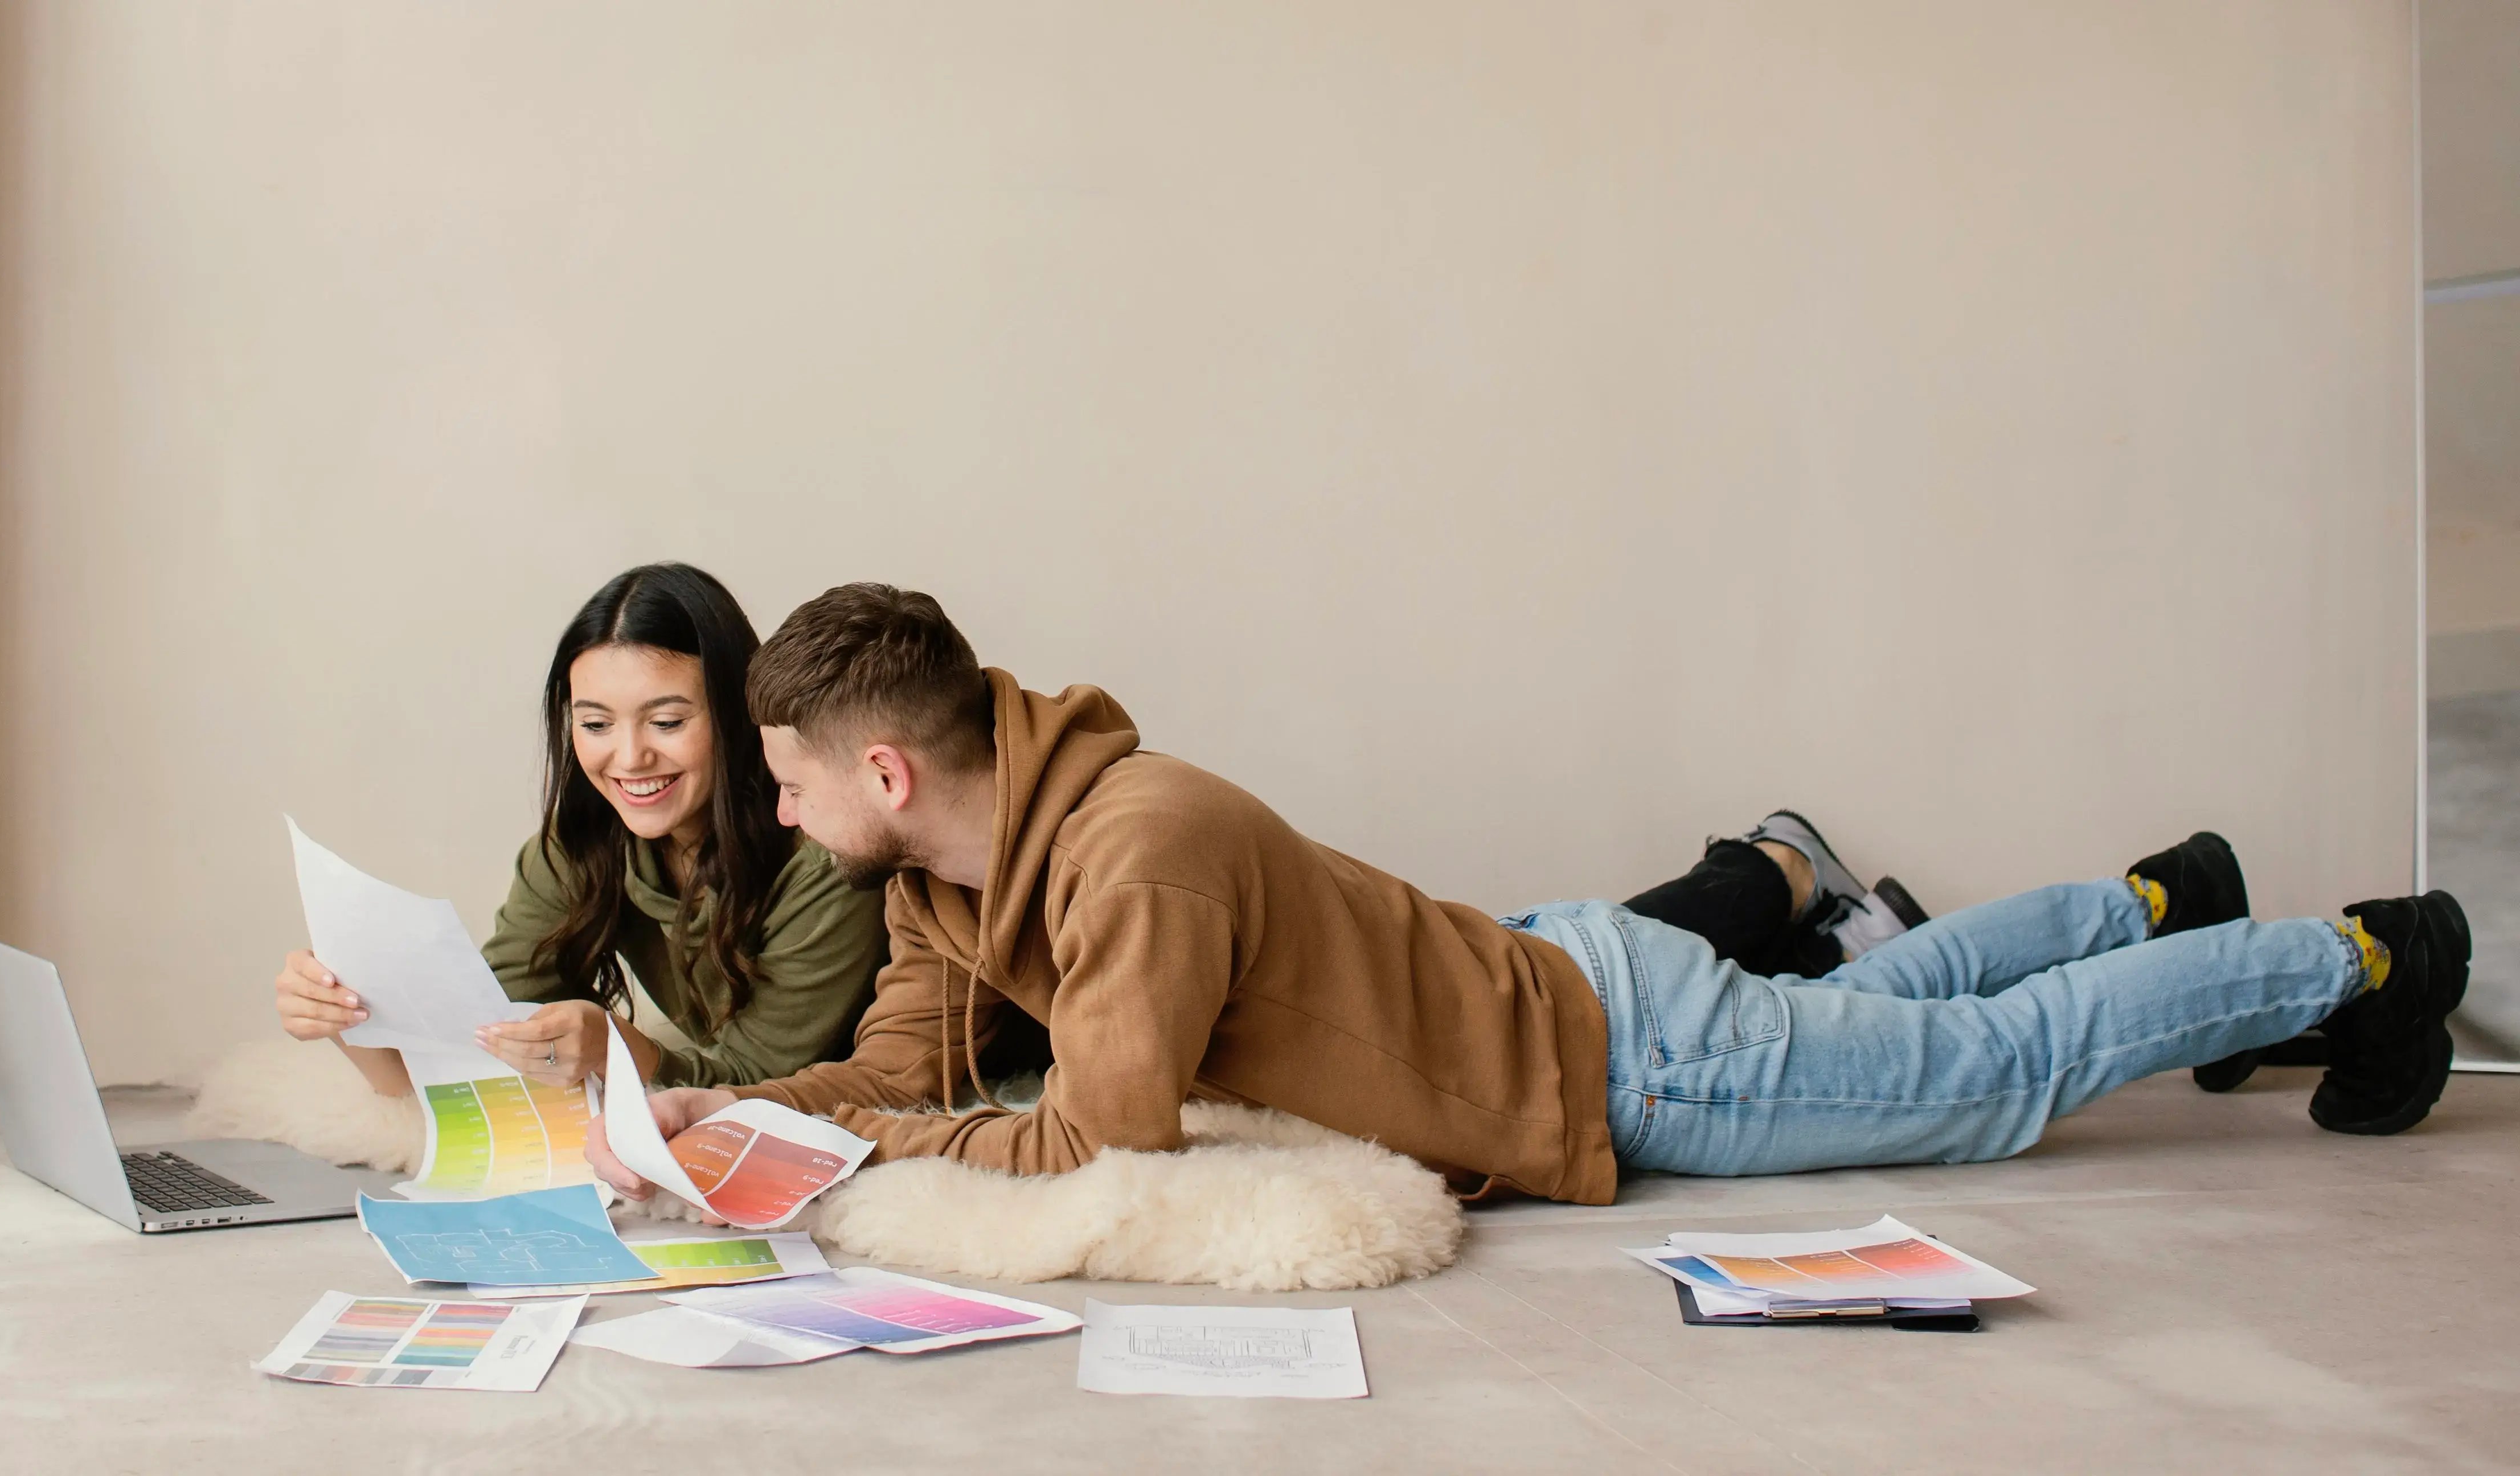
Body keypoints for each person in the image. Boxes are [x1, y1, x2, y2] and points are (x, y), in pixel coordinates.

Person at [587, 583, 2472, 1206]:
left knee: (1987, 1077)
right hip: (1578, 980)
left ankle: (2365, 955)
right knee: (1909, 1013)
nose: (773, 797)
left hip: (1627, 1064)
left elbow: (1098, 1136)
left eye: (785, 766)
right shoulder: (950, 877)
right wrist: (740, 1112)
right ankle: (2149, 903)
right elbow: (907, 1074)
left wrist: (856, 1160)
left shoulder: (1135, 847)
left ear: (885, 771)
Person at [271, 564, 889, 1096]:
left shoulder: (823, 852)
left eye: (666, 722)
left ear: (734, 714)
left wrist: (619, 1054)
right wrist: (352, 1017)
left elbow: (762, 1087)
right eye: (595, 725)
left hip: (870, 1103)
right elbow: (484, 1035)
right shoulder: (580, 844)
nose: (629, 758)